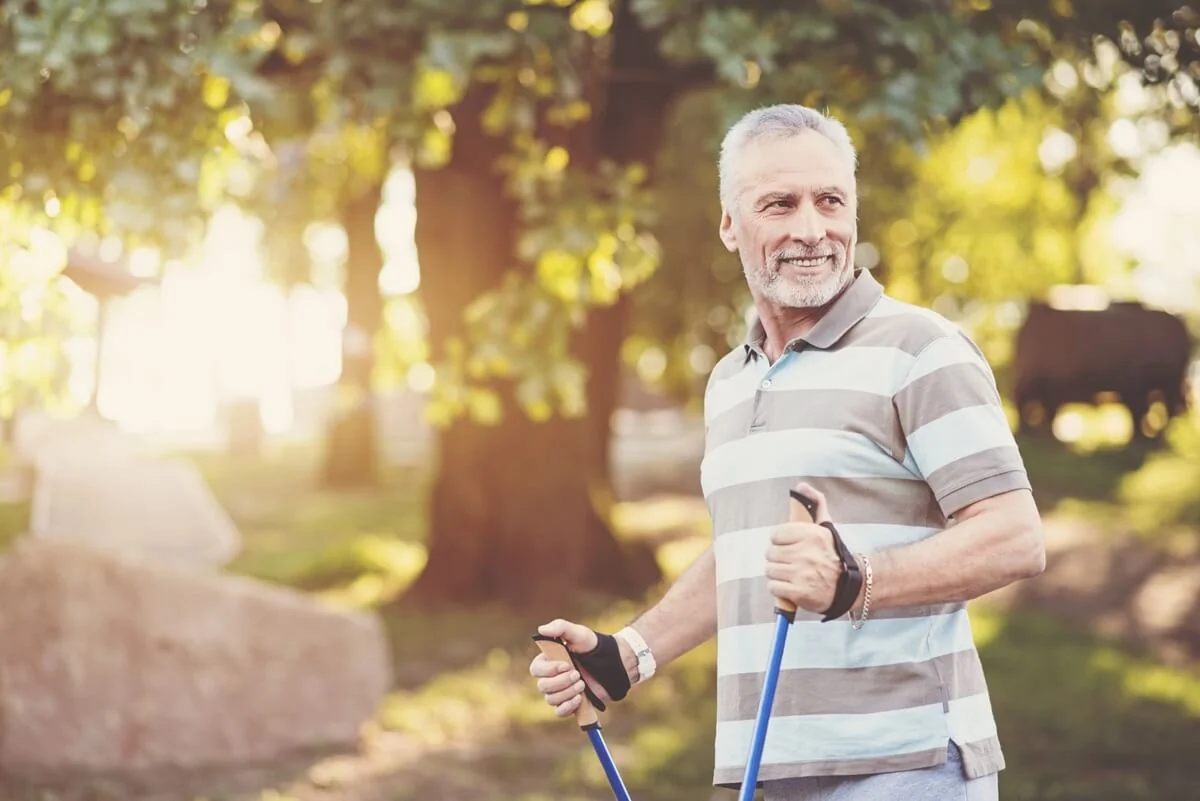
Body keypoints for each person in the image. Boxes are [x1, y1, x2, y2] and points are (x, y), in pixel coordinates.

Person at [528, 104, 1045, 801]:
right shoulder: (730, 382)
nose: (812, 228)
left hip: (907, 765)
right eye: (780, 203)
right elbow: (749, 553)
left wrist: (856, 578)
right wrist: (628, 654)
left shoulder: (922, 350)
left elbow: (1013, 536)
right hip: (767, 773)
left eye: (831, 200)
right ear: (729, 225)